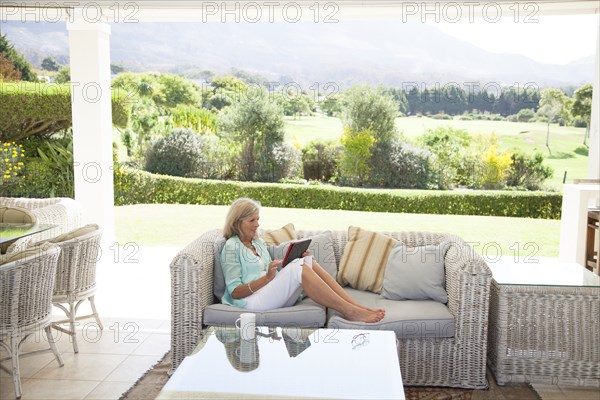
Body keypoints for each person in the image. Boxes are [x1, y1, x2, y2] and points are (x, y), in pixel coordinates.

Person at [220, 198, 385, 323]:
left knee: (307, 261)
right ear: (237, 223)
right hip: (250, 302)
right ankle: (349, 311)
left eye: (258, 219)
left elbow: (271, 275)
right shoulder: (231, 247)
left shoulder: (258, 242)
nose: (257, 224)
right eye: (252, 220)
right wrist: (267, 278)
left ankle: (355, 306)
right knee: (298, 267)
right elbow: (235, 291)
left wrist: (284, 265)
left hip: (269, 293)